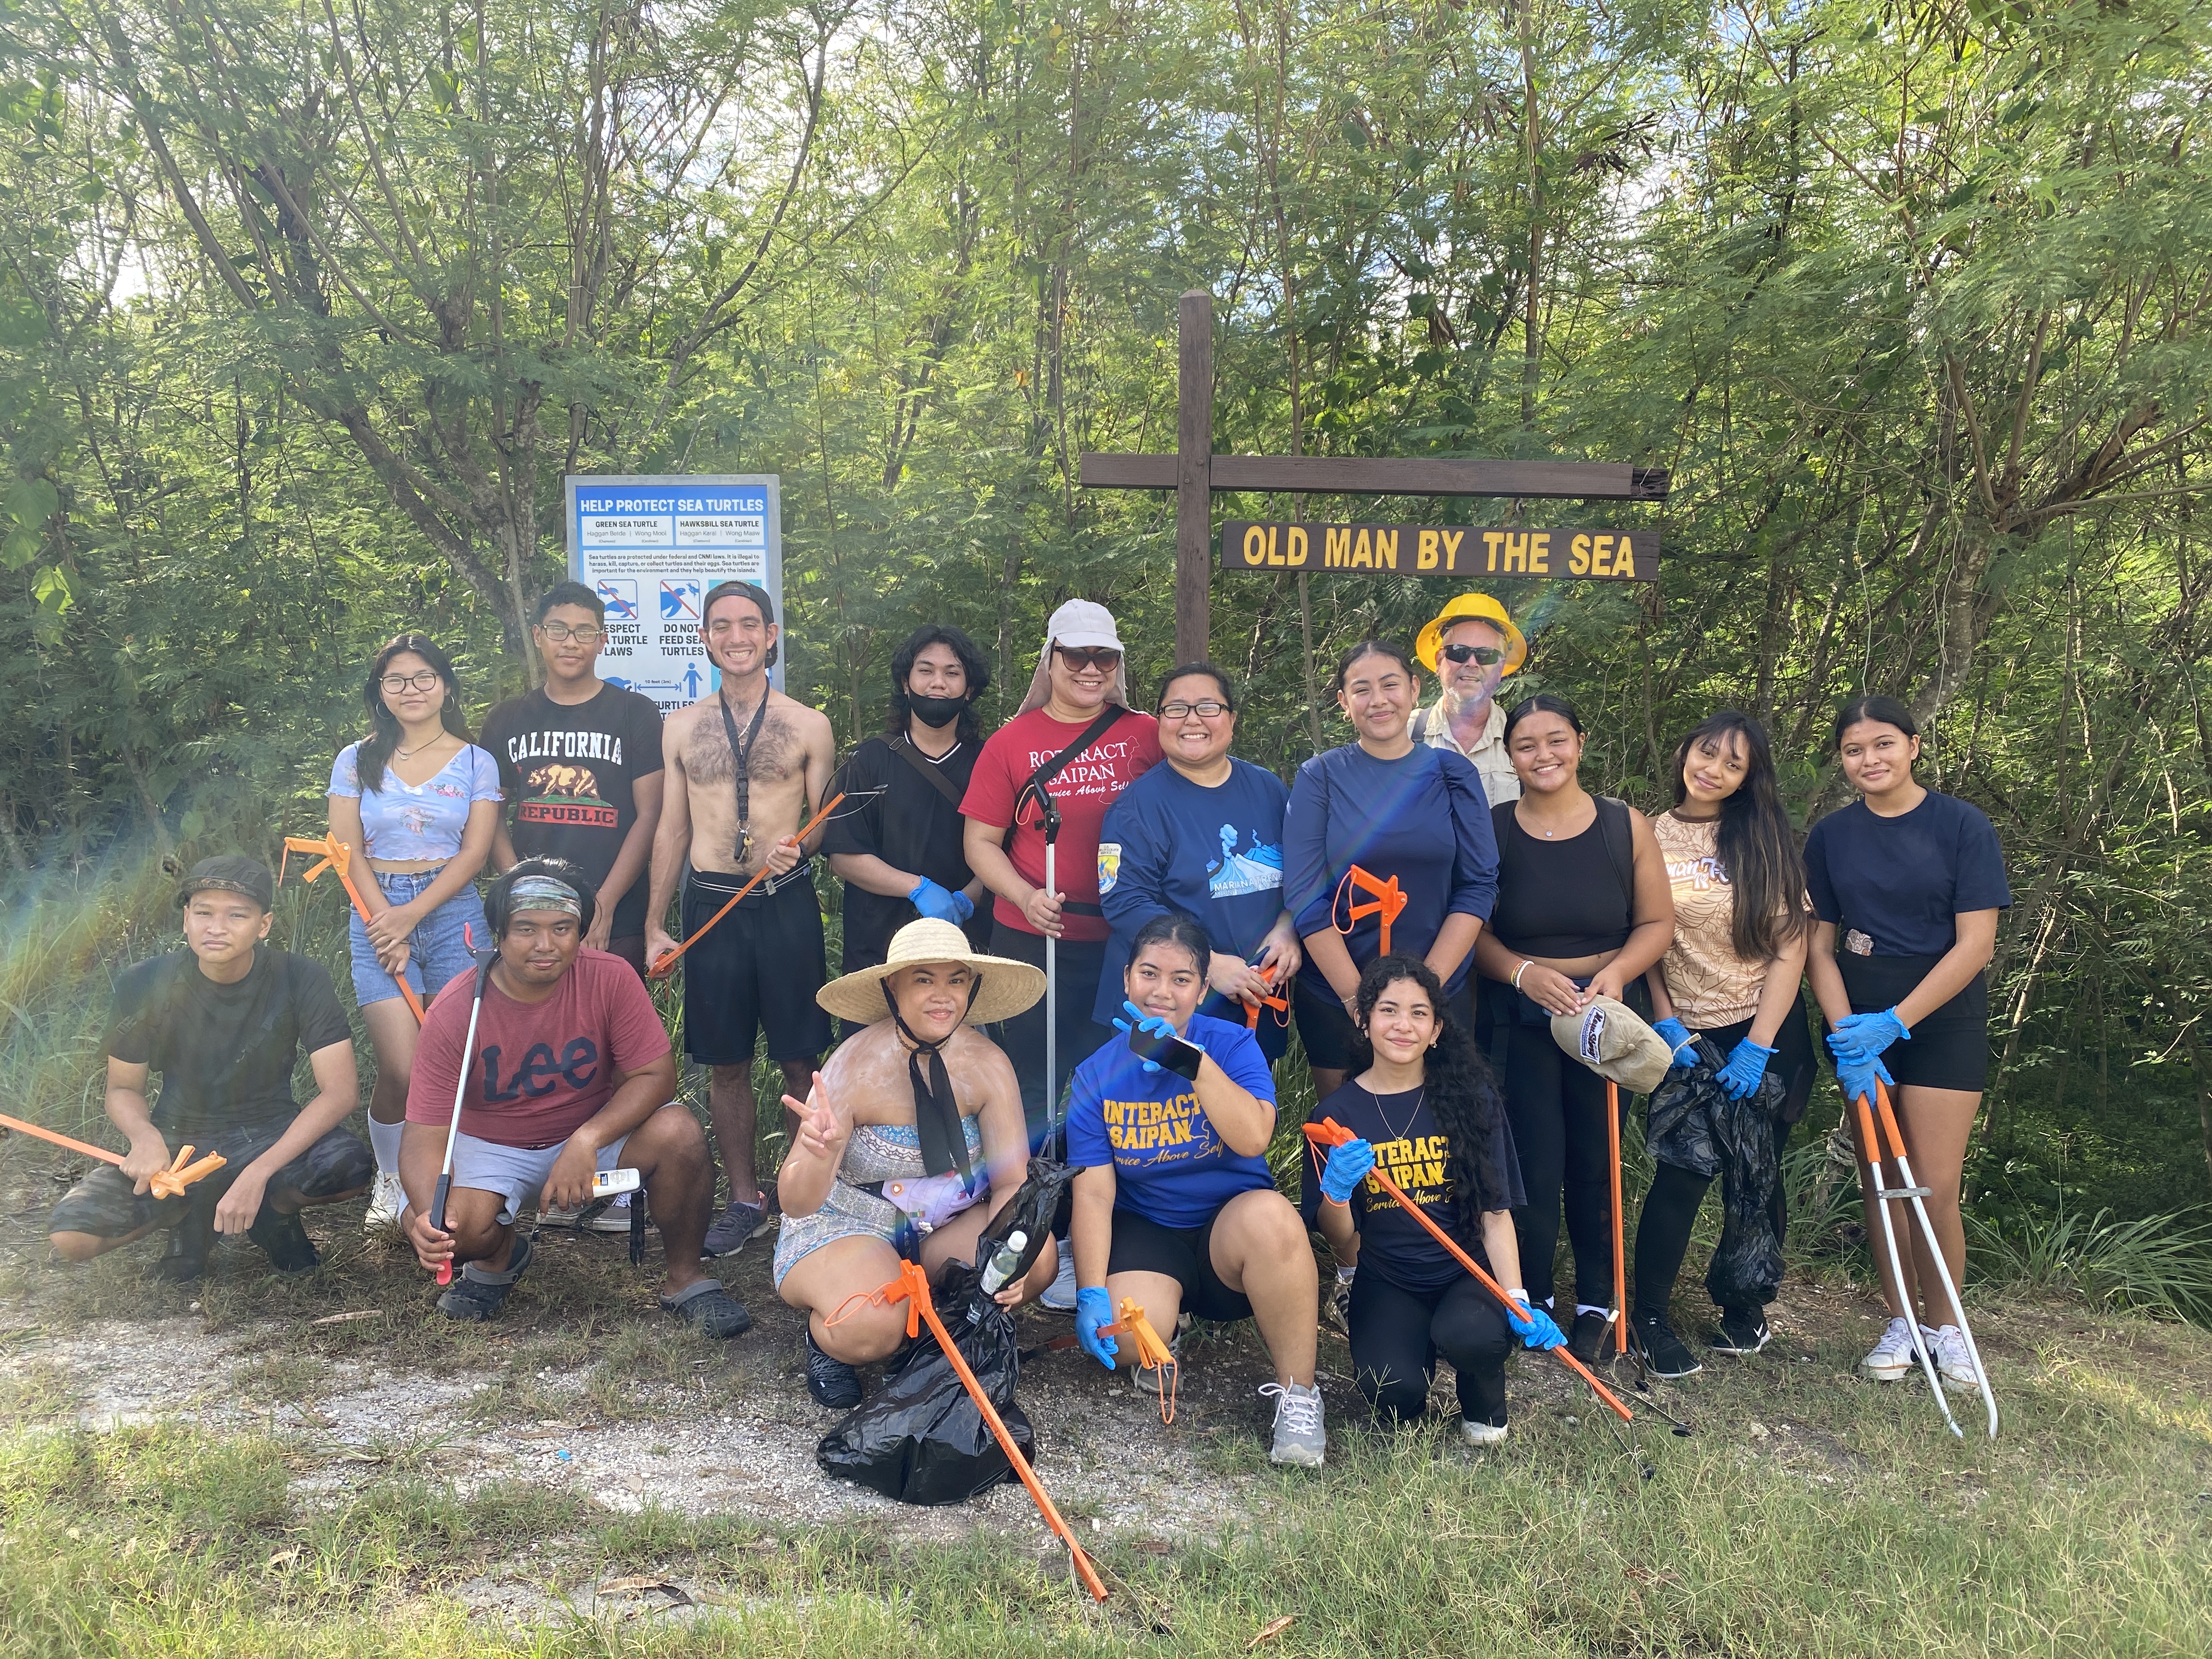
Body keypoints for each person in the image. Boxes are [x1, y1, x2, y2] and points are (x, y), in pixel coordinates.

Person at [398, 859, 750, 1334]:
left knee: (680, 1132)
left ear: (582, 930)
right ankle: (499, 1257)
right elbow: (425, 1134)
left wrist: (587, 1140)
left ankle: (685, 1277)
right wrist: (427, 1215)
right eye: (526, 929)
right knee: (454, 1229)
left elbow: (655, 1076)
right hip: (494, 1146)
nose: (546, 945)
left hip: (593, 1133)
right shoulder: (458, 1009)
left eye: (563, 928)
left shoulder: (611, 977)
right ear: (497, 934)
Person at [1065, 914, 1326, 1469]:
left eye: (1182, 979)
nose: (1163, 991)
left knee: (1275, 1218)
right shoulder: (1096, 1073)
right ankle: (1170, 1323)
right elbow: (1092, 1194)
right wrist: (1090, 1291)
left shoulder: (1231, 1043)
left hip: (1232, 1230)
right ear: (1127, 980)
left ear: (1203, 989)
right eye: (1149, 974)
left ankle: (1299, 1396)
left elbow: (1253, 1137)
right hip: (1151, 1231)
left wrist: (1188, 1062)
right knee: (1129, 1338)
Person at [1804, 694, 2010, 1390]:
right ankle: (1901, 1323)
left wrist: (1900, 1020)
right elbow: (1818, 948)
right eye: (1856, 750)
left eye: (1884, 745)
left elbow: (1976, 943)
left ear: (1914, 746)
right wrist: (1847, 1034)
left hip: (1941, 1018)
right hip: (1858, 1024)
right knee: (1883, 1180)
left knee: (1934, 1183)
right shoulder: (1831, 838)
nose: (1871, 760)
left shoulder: (1961, 825)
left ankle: (1947, 1327)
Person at [774, 918, 1058, 1409]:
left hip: (941, 1226)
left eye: (956, 980)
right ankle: (831, 1343)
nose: (941, 995)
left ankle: (934, 1328)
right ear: (893, 987)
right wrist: (818, 1153)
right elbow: (796, 1201)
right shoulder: (853, 1064)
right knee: (872, 1323)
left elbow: (1012, 1181)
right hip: (851, 1223)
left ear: (973, 986)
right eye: (924, 979)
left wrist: (1008, 1263)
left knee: (1038, 1254)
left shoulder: (989, 1063)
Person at [47, 857, 371, 1280]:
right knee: (72, 1235)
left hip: (268, 1128)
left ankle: (275, 1214)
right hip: (178, 1139)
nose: (216, 927)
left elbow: (340, 1092)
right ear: (186, 919)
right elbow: (124, 1087)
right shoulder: (144, 982)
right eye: (203, 913)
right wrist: (145, 1139)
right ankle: (187, 1212)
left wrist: (259, 1173)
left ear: (264, 924)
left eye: (237, 915)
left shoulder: (299, 976)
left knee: (349, 1168)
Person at [1470, 693, 1675, 1362]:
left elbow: (1656, 924)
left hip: (1603, 1016)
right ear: (1510, 756)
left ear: (1580, 743)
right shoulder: (1494, 828)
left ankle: (1599, 1299)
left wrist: (1617, 976)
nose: (1543, 755)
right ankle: (1531, 1296)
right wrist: (1525, 975)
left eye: (1555, 740)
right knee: (1533, 1158)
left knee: (1597, 1159)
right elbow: (1477, 931)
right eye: (1526, 745)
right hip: (1522, 1015)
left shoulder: (1624, 825)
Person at [644, 580, 837, 1259]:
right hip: (712, 902)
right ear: (704, 637)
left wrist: (801, 846)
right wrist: (654, 925)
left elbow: (824, 820)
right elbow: (670, 828)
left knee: (798, 1057)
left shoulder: (809, 723)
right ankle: (745, 1200)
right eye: (721, 625)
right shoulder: (680, 726)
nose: (736, 636)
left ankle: (801, 1197)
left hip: (782, 905)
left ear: (772, 633)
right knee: (725, 1061)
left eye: (749, 624)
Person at [1302, 956, 1566, 1443]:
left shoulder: (1472, 1099)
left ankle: (1482, 1391)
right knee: (1392, 1395)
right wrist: (1337, 1193)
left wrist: (1516, 1298)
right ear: (1364, 1021)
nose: (1404, 1025)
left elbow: (1496, 1212)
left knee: (1473, 1336)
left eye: (1419, 1013)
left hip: (1467, 1273)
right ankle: (1412, 1356)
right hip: (1387, 1278)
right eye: (1389, 1010)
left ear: (1437, 1029)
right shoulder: (1334, 1114)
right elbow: (1342, 1240)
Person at [1631, 712, 1815, 1374]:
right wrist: (1666, 1020)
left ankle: (1744, 1307)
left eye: (1732, 764)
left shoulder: (1764, 841)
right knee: (1681, 1175)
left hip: (1766, 1031)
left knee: (1756, 1174)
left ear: (1747, 780)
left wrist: (1759, 1045)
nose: (1712, 769)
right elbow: (1646, 935)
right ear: (1685, 750)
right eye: (1706, 753)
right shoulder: (1646, 833)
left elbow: (1791, 950)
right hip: (1687, 1034)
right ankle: (1647, 1316)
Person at [961, 598, 1163, 1142]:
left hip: (1126, 942)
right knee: (1036, 1078)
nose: (1091, 668)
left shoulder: (1148, 734)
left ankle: (1111, 1204)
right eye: (1076, 655)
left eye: (1105, 657)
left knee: (1126, 1072)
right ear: (1050, 659)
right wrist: (1024, 896)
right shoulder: (1011, 743)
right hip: (1035, 936)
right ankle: (1037, 1204)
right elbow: (979, 843)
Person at [328, 633, 503, 1234]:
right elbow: (344, 851)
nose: (411, 689)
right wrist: (387, 922)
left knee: (454, 1060)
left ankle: (452, 1177)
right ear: (381, 693)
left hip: (456, 914)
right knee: (403, 1067)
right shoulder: (355, 758)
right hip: (375, 906)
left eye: (423, 677)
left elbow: (475, 853)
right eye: (397, 680)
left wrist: (412, 917)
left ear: (446, 685)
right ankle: (391, 1175)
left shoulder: (477, 761)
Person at [1284, 639, 1498, 1105]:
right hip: (1339, 995)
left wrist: (1423, 998)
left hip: (1442, 990)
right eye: (1361, 690)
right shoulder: (1319, 776)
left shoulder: (1452, 773)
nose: (1378, 700)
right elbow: (1304, 894)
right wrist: (1360, 1002)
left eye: (1390, 685)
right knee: (1346, 1139)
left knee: (1444, 1134)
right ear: (1343, 702)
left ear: (1415, 689)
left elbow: (1478, 884)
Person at [1096, 662, 1301, 1064]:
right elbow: (1125, 904)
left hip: (1257, 999)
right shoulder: (1136, 808)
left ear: (1231, 719)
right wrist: (1206, 963)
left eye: (1208, 707)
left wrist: (1289, 925)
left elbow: (1303, 872)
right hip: (1168, 1008)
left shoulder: (1269, 789)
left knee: (1246, 1119)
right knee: (1171, 1123)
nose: (1192, 720)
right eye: (1176, 709)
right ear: (1159, 721)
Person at [480, 582, 666, 979]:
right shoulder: (506, 719)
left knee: (611, 1031)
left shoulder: (636, 713)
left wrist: (604, 904)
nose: (570, 642)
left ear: (602, 641)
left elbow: (649, 815)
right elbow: (490, 816)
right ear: (538, 636)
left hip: (615, 914)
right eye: (558, 629)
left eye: (584, 632)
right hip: (529, 913)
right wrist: (520, 891)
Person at [824, 625, 993, 977]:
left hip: (963, 946)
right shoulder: (867, 760)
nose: (938, 683)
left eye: (952, 673)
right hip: (878, 947)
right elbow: (843, 857)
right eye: (926, 670)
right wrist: (919, 889)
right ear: (906, 682)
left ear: (969, 689)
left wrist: (967, 899)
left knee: (964, 1032)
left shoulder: (990, 762)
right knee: (875, 1034)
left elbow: (1005, 851)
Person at [1410, 592, 1527, 806]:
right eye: (1459, 652)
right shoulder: (1404, 732)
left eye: (1485, 655)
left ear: (1501, 667)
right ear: (1439, 660)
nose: (1472, 663)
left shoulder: (1525, 739)